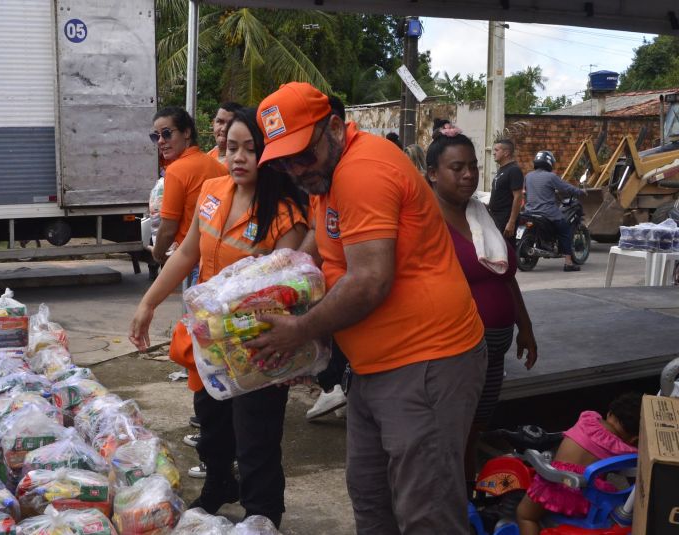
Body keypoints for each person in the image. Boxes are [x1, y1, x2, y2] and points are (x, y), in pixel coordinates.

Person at [247, 82, 488, 535]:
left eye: (303, 154)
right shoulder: (326, 175)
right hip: (374, 366)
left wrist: (298, 330)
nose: (296, 169)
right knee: (371, 498)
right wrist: (268, 281)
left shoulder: (363, 170)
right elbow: (316, 249)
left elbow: (369, 280)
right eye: (284, 160)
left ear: (334, 128)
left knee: (426, 510)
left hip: (425, 360)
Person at [130, 108, 309, 528]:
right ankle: (218, 486)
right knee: (211, 424)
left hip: (258, 343)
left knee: (256, 437)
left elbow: (291, 291)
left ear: (268, 155)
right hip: (210, 338)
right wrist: (148, 303)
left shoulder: (285, 214)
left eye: (250, 148)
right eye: (232, 148)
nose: (239, 157)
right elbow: (188, 253)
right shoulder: (213, 190)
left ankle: (263, 512)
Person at [426, 125, 538, 487]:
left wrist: (526, 327)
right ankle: (450, 503)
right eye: (456, 168)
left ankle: (465, 501)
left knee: (475, 428)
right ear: (432, 173)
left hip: (495, 347)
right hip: (457, 350)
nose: (469, 175)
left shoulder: (480, 214)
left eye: (473, 166)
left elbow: (504, 276)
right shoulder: (426, 222)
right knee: (452, 432)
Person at [516, 392, 642, 535]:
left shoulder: (587, 418)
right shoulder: (624, 450)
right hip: (586, 499)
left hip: (555, 485)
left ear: (609, 413)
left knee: (525, 516)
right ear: (633, 439)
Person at [151, 106, 227, 265]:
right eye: (155, 136)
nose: (160, 141)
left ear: (186, 132)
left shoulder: (175, 171)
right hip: (217, 254)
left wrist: (157, 254)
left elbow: (168, 229)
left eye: (166, 133)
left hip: (191, 259)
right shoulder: (217, 166)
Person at [522, 150, 585, 272]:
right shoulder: (551, 177)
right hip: (548, 213)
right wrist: (580, 191)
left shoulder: (528, 176)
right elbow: (565, 187)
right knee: (565, 230)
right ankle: (568, 263)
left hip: (529, 212)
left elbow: (528, 192)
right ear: (549, 163)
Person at [488, 138, 525, 238]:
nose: (493, 153)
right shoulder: (502, 170)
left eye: (496, 150)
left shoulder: (513, 170)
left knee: (506, 250)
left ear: (506, 153)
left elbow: (518, 197)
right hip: (496, 217)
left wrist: (511, 222)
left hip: (505, 219)